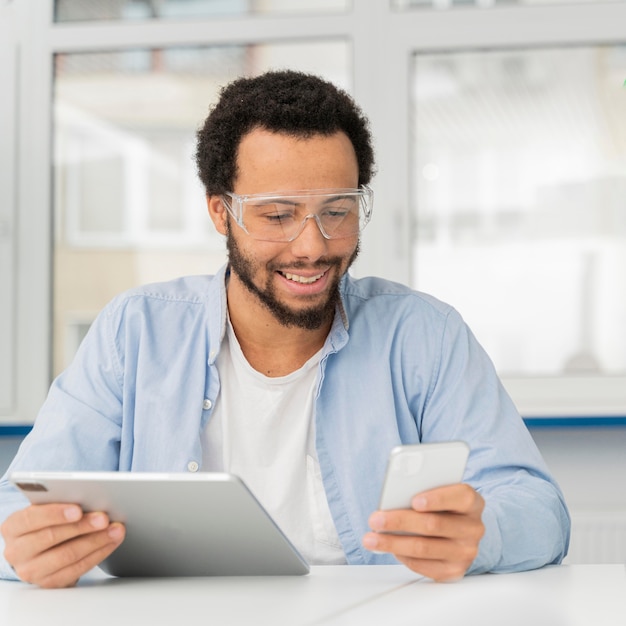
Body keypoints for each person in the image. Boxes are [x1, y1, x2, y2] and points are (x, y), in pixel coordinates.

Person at [0, 70, 570, 588]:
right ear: (222, 213)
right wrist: (22, 548)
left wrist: (483, 534)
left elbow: (539, 508)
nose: (312, 246)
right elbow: (16, 504)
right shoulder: (136, 332)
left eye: (338, 210)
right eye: (278, 215)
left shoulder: (424, 335)